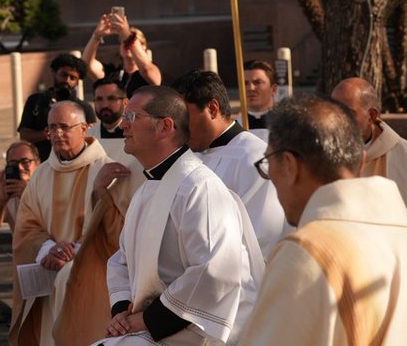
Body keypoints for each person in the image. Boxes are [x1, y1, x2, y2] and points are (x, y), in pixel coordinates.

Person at [99, 86, 261, 346]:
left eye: (132, 117)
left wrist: (150, 320)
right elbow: (122, 260)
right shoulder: (148, 187)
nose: (122, 126)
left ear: (165, 127)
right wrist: (121, 311)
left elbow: (214, 270)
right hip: (152, 326)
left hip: (195, 331)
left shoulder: (199, 187)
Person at [244, 96, 407, 344]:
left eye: (268, 163)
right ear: (361, 160)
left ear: (289, 164)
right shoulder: (400, 231)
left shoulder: (305, 252)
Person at [8, 101, 130, 346]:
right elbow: (26, 226)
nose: (57, 134)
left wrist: (74, 252)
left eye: (64, 127)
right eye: (52, 128)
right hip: (48, 275)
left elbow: (120, 230)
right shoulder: (41, 174)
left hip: (90, 280)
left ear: (84, 128)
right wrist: (46, 249)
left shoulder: (107, 172)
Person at [170, 69, 288, 257]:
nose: (179, 128)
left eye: (184, 117)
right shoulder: (189, 155)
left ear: (212, 109)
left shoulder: (254, 157)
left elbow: (261, 237)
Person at [331, 75, 407, 202]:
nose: (337, 121)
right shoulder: (321, 155)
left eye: (348, 113)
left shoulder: (403, 155)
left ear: (371, 116)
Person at [17, 54, 95, 161]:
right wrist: (46, 134)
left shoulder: (84, 108)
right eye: (63, 75)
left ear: (77, 82)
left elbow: (91, 139)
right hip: (42, 162)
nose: (67, 81)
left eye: (72, 78)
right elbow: (24, 135)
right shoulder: (36, 101)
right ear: (54, 73)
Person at [82, 10, 162, 95]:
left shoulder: (152, 70)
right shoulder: (112, 73)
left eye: (132, 41)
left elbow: (146, 70)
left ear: (144, 47)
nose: (126, 44)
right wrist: (96, 36)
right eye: (124, 42)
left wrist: (128, 36)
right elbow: (86, 64)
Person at [0, 141, 39, 234]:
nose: (20, 167)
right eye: (13, 163)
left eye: (25, 162)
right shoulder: (10, 190)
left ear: (37, 163)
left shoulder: (48, 187)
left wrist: (27, 197)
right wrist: (0, 202)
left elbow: (50, 223)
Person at [242, 60, 277, 130]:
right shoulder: (234, 126)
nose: (250, 88)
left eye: (257, 82)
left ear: (273, 89)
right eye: (245, 83)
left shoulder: (286, 125)